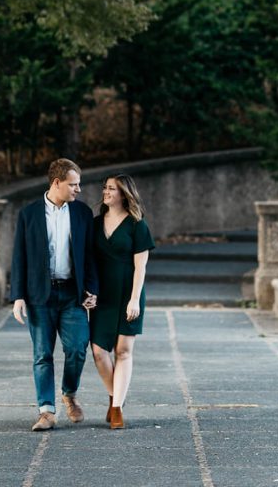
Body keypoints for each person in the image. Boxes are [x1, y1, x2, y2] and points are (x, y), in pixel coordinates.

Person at [10, 158, 98, 431]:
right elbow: (19, 257)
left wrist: (92, 289)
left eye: (79, 184)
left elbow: (91, 256)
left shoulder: (82, 214)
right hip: (40, 295)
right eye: (73, 184)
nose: (78, 189)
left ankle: (69, 393)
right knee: (42, 354)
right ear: (56, 183)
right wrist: (18, 296)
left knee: (77, 349)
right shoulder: (29, 214)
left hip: (72, 294)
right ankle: (46, 411)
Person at [90, 173, 155, 429]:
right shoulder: (95, 224)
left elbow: (141, 266)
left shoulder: (137, 224)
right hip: (102, 295)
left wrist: (135, 300)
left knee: (123, 351)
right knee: (98, 352)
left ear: (124, 194)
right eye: (105, 188)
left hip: (129, 292)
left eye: (111, 189)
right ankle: (114, 393)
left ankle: (116, 408)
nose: (106, 192)